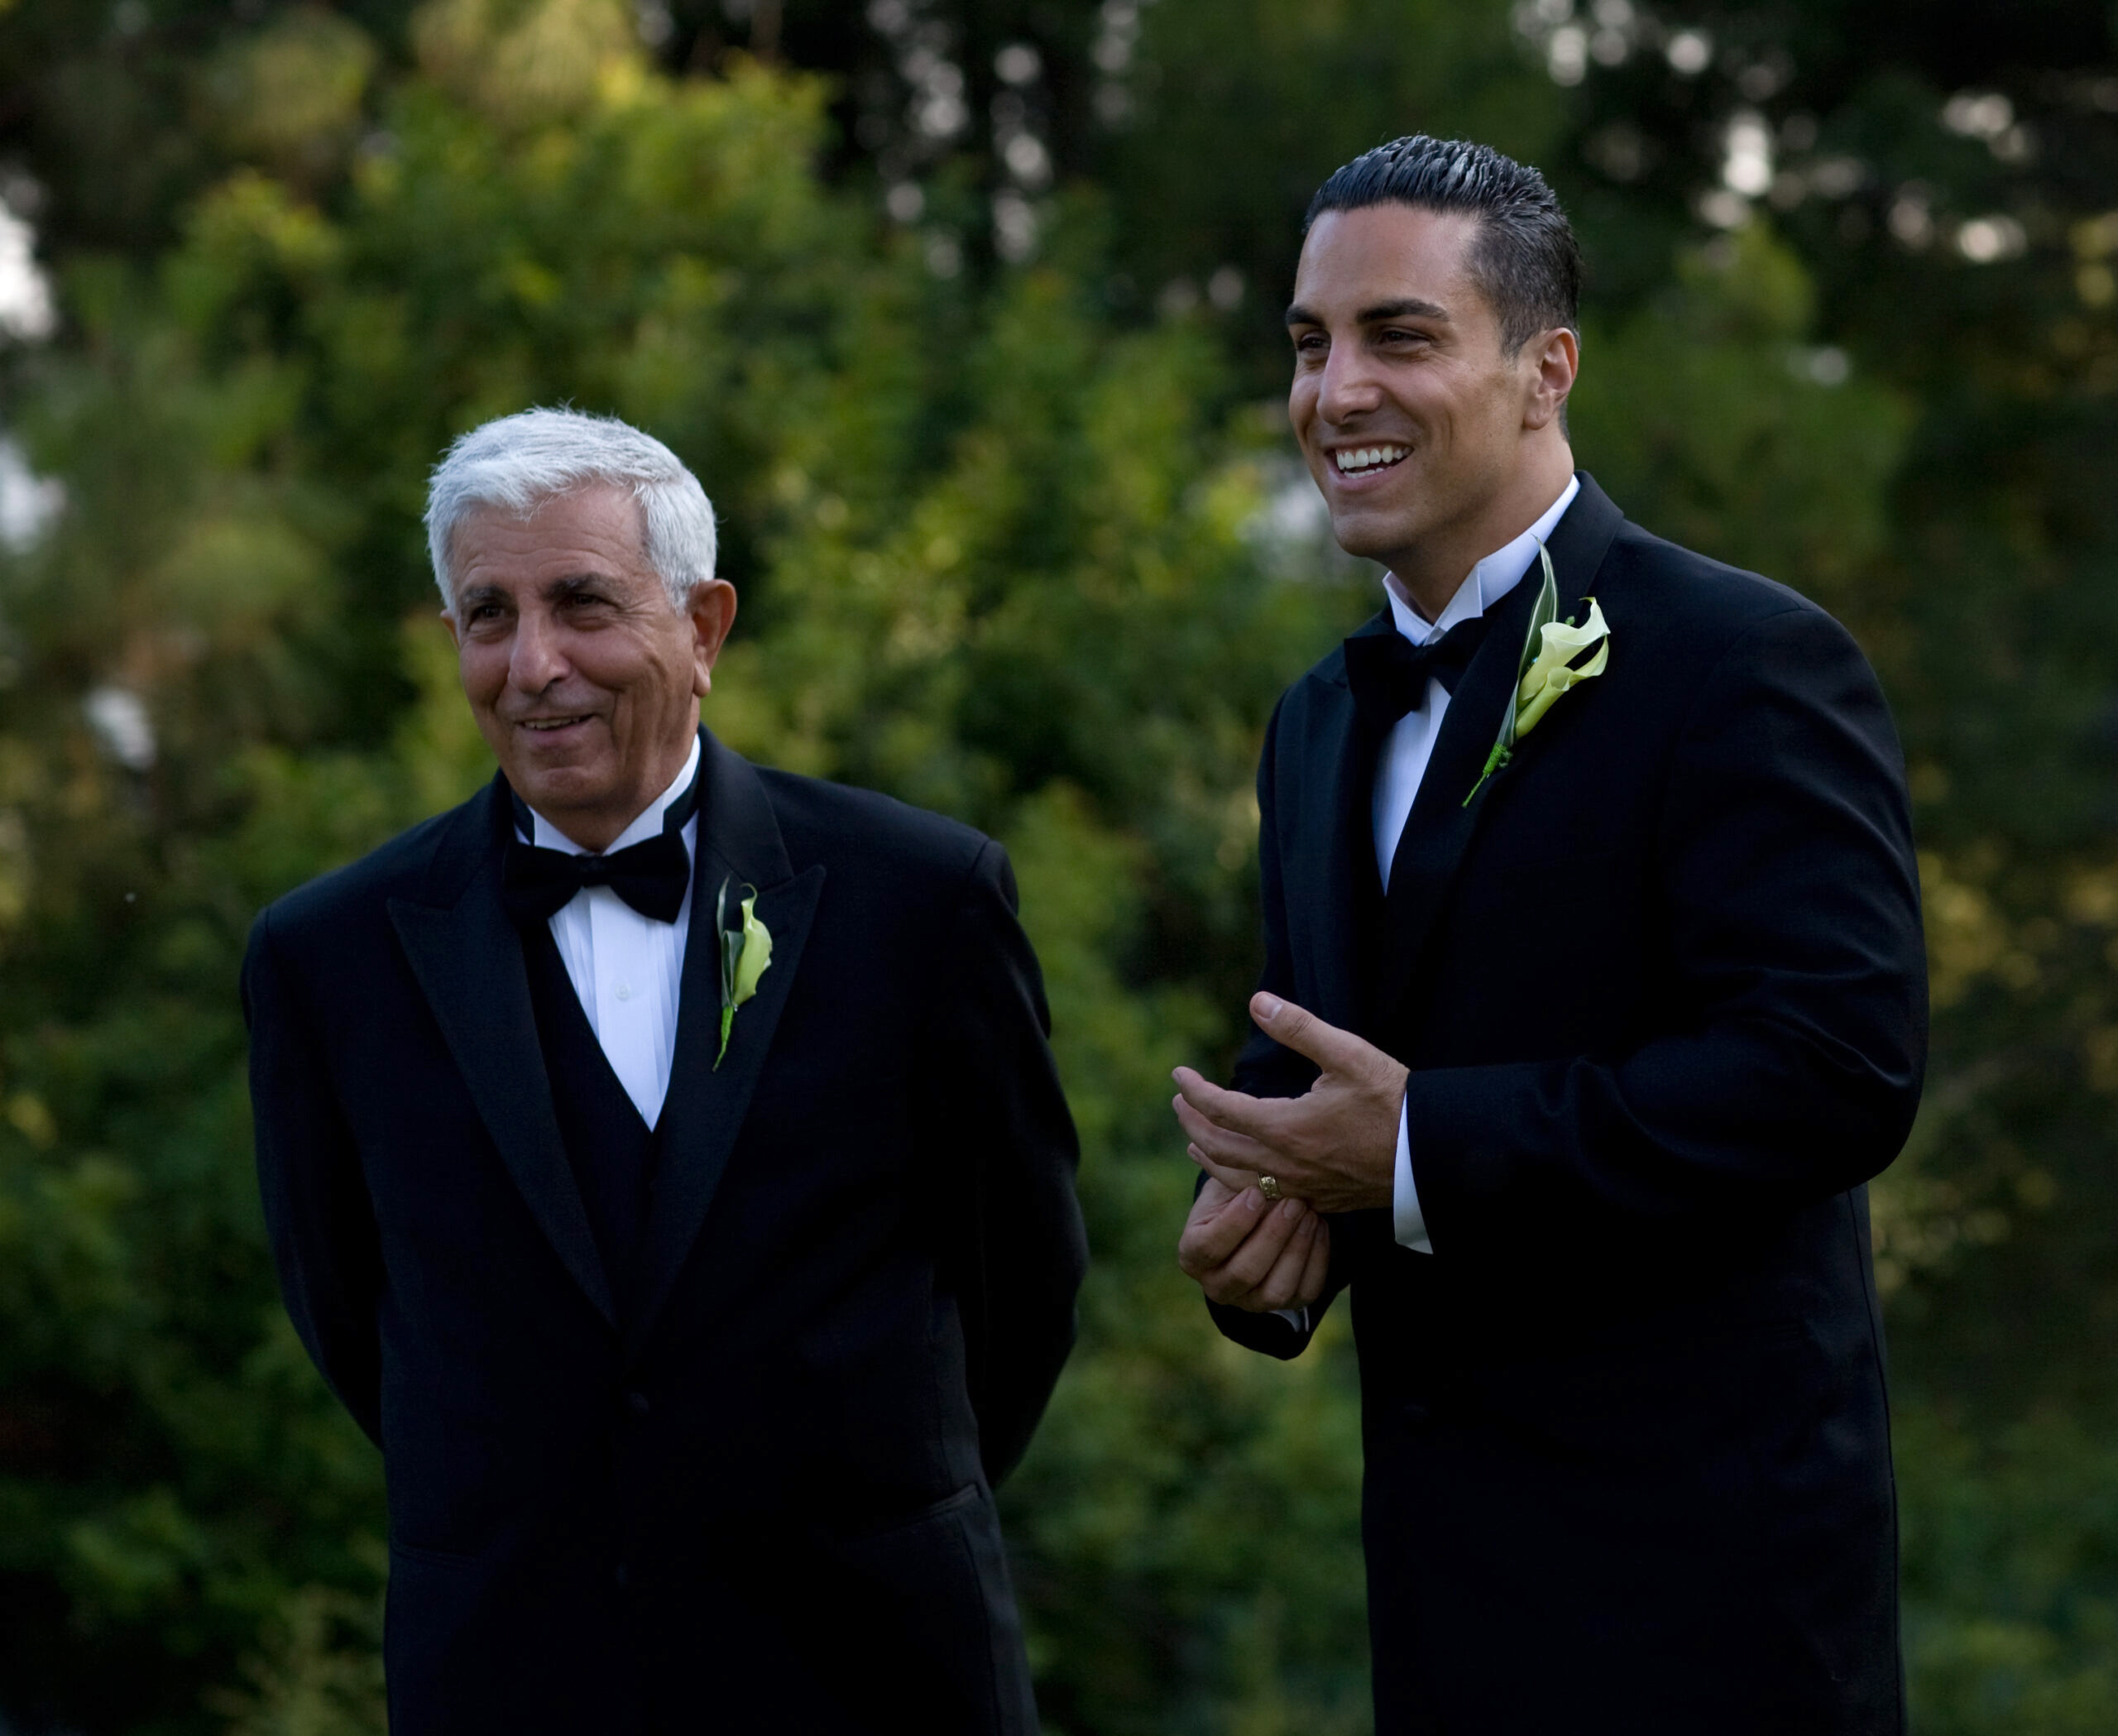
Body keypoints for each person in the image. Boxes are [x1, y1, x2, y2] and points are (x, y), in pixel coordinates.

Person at [1171, 137, 1926, 1734]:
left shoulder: (1746, 663)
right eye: (1310, 345)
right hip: (1442, 1606)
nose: (1336, 391)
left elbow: (1834, 1070)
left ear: (1545, 370)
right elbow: (1313, 1072)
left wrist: (1413, 1151)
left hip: (1712, 1612)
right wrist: (1261, 1234)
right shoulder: (1315, 721)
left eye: (1400, 336)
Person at [243, 407, 1086, 1735]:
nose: (534, 664)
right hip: (515, 1675)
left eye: (582, 603)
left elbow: (1023, 1280)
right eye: (487, 615)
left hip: (875, 1668)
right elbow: (352, 1316)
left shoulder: (923, 901)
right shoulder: (325, 957)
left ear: (704, 628)